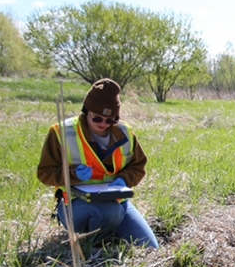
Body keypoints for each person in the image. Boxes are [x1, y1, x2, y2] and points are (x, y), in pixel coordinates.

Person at [37, 78, 159, 251]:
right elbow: (44, 173)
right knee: (110, 213)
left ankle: (108, 230)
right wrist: (72, 173)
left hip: (117, 201)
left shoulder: (126, 132)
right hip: (73, 205)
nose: (103, 124)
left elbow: (137, 166)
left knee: (150, 247)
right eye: (97, 118)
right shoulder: (61, 132)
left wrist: (124, 179)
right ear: (86, 112)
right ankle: (91, 246)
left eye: (110, 120)